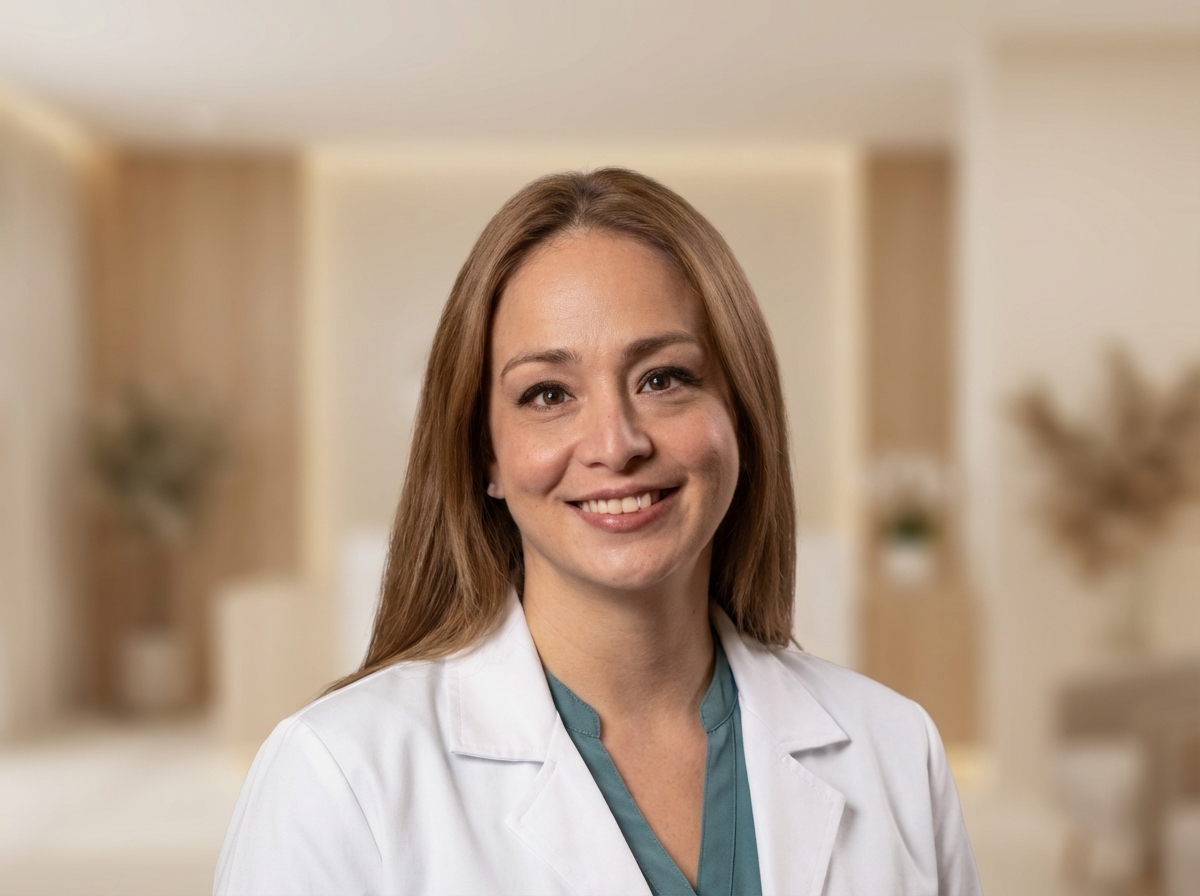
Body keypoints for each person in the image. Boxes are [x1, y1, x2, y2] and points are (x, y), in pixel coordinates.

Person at [214, 168, 982, 896]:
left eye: (664, 378)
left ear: (740, 414)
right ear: (485, 453)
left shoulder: (894, 748)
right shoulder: (338, 775)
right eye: (548, 393)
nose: (615, 444)